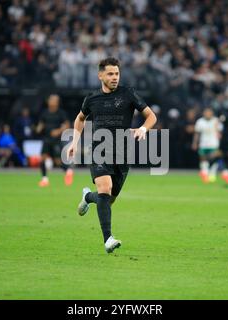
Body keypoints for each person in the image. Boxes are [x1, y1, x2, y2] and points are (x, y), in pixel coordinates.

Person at [66, 57, 157, 253]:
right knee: (105, 189)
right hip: (99, 150)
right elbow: (79, 119)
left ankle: (88, 197)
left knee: (109, 198)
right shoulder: (92, 99)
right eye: (110, 74)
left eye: (117, 73)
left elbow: (151, 116)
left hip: (123, 154)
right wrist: (74, 142)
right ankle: (108, 239)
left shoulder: (128, 94)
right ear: (100, 75)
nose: (114, 77)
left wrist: (143, 129)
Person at [36, 94, 73, 187]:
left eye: (54, 100)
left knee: (57, 161)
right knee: (42, 158)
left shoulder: (61, 113)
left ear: (57, 102)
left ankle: (68, 171)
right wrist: (39, 128)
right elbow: (41, 123)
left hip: (56, 140)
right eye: (51, 100)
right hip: (46, 139)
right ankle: (44, 179)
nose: (52, 101)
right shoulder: (44, 113)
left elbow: (67, 124)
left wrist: (58, 131)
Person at [192, 108, 222, 183]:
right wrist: (195, 143)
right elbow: (197, 133)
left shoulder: (216, 121)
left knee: (213, 159)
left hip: (214, 143)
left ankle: (212, 174)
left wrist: (220, 141)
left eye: (209, 113)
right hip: (203, 143)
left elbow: (220, 132)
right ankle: (205, 173)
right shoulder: (200, 121)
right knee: (203, 158)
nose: (208, 114)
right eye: (206, 113)